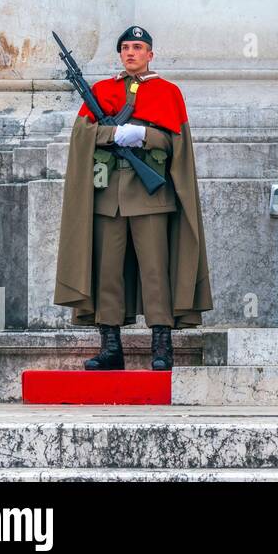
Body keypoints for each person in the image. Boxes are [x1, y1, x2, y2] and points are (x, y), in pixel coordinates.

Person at [54, 26, 212, 370]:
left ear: (150, 54)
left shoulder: (168, 93)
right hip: (108, 197)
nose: (130, 53)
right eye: (125, 48)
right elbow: (83, 136)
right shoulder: (101, 91)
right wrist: (114, 133)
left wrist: (143, 135)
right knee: (108, 272)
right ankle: (111, 348)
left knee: (155, 272)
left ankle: (161, 346)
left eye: (138, 47)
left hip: (150, 196)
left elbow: (176, 145)